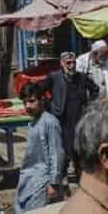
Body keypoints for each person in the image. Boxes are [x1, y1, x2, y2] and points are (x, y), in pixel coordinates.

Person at [38, 52, 100, 181]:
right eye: (68, 63)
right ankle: (61, 178)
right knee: (63, 148)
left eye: (74, 63)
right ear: (62, 63)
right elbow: (39, 90)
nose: (72, 66)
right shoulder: (54, 77)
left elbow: (95, 89)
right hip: (62, 118)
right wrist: (49, 106)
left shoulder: (81, 77)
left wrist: (90, 105)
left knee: (79, 147)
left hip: (79, 116)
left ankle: (80, 177)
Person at [15, 81, 66, 214]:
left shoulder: (50, 122)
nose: (28, 106)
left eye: (32, 101)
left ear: (42, 99)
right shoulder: (34, 122)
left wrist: (53, 184)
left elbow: (56, 153)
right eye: (25, 102)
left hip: (44, 183)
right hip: (30, 179)